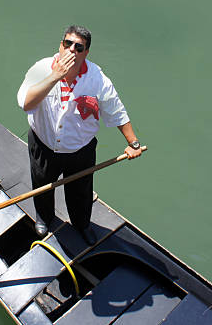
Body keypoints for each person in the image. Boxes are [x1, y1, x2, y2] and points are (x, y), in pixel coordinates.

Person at [17, 25, 142, 245]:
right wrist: (55, 77)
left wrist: (133, 143)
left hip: (80, 151)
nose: (71, 50)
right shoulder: (41, 69)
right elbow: (26, 102)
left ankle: (81, 224)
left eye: (79, 47)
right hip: (43, 145)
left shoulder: (98, 79)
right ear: (60, 45)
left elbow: (116, 111)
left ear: (86, 53)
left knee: (81, 192)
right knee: (42, 184)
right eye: (67, 44)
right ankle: (43, 217)